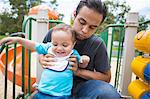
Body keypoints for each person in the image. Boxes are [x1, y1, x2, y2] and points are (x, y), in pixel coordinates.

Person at [39, 0, 121, 99]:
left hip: (83, 88)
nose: (85, 30)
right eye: (82, 22)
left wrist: (78, 71)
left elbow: (106, 77)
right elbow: (41, 53)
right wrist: (42, 59)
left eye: (92, 27)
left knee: (109, 94)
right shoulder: (55, 33)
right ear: (75, 14)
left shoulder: (97, 44)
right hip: (53, 86)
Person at [0, 24, 90, 99]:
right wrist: (19, 40)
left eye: (65, 45)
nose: (59, 48)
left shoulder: (73, 54)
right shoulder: (48, 48)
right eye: (55, 44)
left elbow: (82, 62)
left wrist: (85, 59)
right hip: (42, 92)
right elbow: (33, 45)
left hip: (61, 95)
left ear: (73, 44)